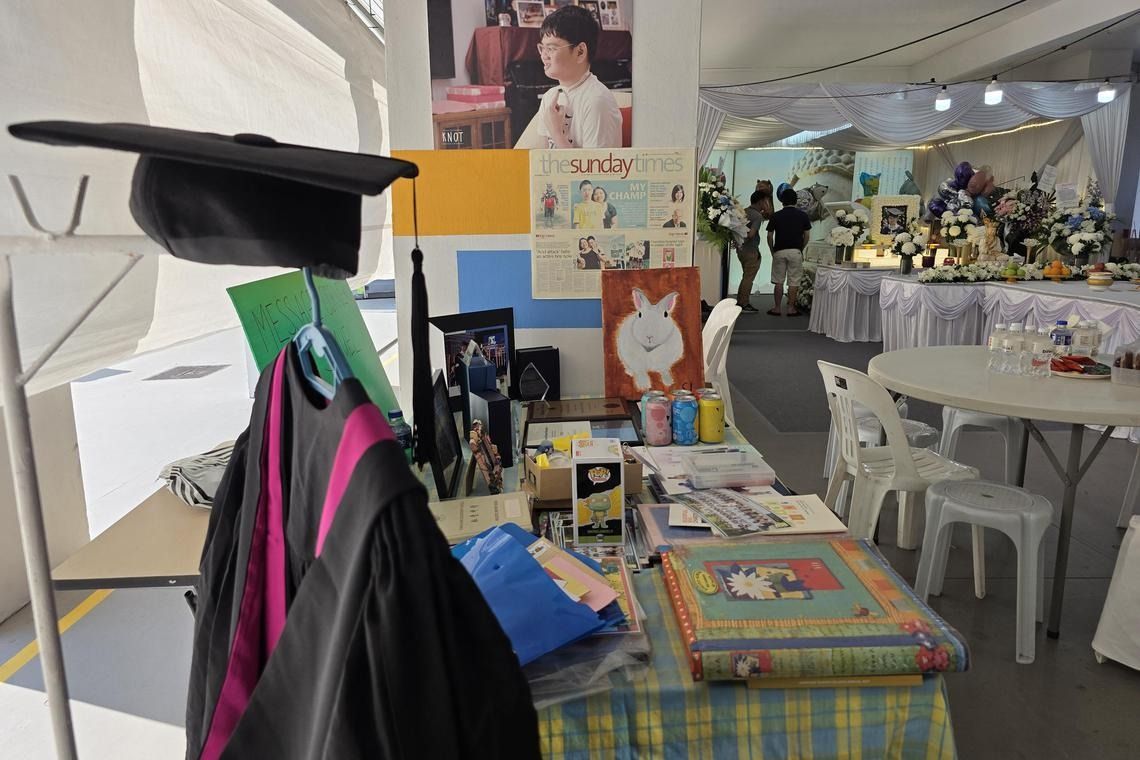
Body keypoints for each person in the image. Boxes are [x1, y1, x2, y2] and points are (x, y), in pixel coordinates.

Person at [513, 5, 622, 149]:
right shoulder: (549, 97)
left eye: (551, 48)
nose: (544, 56)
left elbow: (593, 170)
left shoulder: (597, 101)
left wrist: (557, 133)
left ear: (580, 52)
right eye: (542, 48)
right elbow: (540, 160)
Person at [766, 187, 812, 316]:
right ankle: (791, 308)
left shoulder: (776, 216)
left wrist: (772, 250)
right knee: (794, 281)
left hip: (779, 251)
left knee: (778, 281)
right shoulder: (803, 216)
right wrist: (801, 249)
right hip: (795, 251)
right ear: (796, 201)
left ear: (782, 201)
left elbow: (769, 236)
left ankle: (776, 308)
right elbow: (807, 235)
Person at [735, 188, 769, 313]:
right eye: (766, 201)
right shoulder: (757, 216)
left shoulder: (743, 212)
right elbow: (751, 234)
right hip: (751, 251)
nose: (767, 204)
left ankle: (740, 301)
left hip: (741, 250)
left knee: (745, 277)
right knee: (748, 278)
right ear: (760, 202)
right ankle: (743, 303)